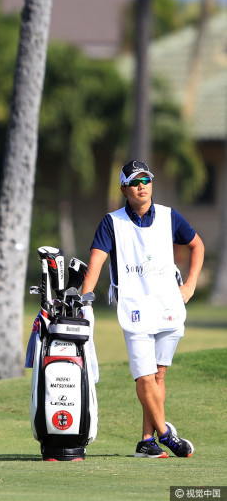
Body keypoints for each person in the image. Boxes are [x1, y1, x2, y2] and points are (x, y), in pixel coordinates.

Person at [80, 160, 204, 459]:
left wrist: (190, 286)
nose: (142, 186)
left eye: (146, 180)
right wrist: (85, 297)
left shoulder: (169, 217)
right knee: (145, 378)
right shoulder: (112, 222)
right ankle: (166, 436)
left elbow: (197, 246)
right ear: (124, 188)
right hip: (134, 309)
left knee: (158, 377)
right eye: (135, 182)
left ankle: (147, 442)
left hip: (168, 307)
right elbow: (96, 261)